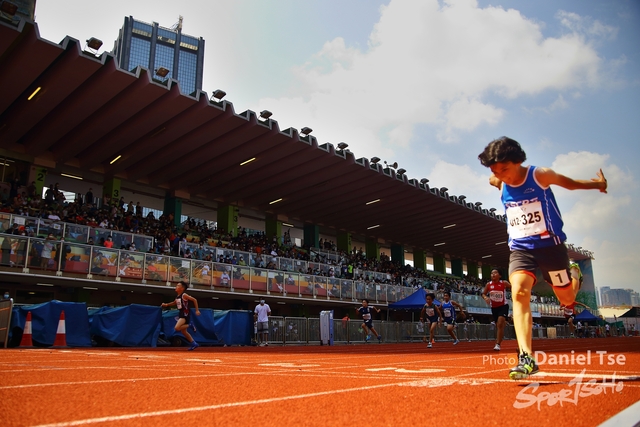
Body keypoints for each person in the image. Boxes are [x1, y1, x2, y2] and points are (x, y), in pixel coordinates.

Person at [478, 136, 608, 379]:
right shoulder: (499, 180)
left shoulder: (540, 175)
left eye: (505, 169)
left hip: (551, 248)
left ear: (518, 161)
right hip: (521, 249)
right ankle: (526, 357)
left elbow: (570, 184)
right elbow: (493, 178)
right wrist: (495, 175)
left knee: (566, 298)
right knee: (518, 292)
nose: (501, 175)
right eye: (496, 170)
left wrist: (598, 185)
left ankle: (574, 275)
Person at [161, 281, 201, 350]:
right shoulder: (178, 297)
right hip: (181, 313)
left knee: (177, 328)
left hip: (185, 313)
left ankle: (190, 325)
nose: (176, 286)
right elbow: (174, 303)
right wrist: (166, 304)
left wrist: (197, 310)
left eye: (178, 285)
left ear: (182, 288)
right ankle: (194, 343)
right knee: (184, 331)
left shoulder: (184, 295)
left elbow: (194, 300)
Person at [481, 269, 512, 351]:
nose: (493, 274)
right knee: (498, 325)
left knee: (500, 323)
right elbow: (483, 293)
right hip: (494, 307)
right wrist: (485, 297)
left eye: (495, 273)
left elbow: (513, 287)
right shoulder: (488, 284)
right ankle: (502, 331)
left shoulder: (504, 283)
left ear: (500, 275)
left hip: (503, 306)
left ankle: (497, 344)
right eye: (491, 273)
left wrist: (513, 295)